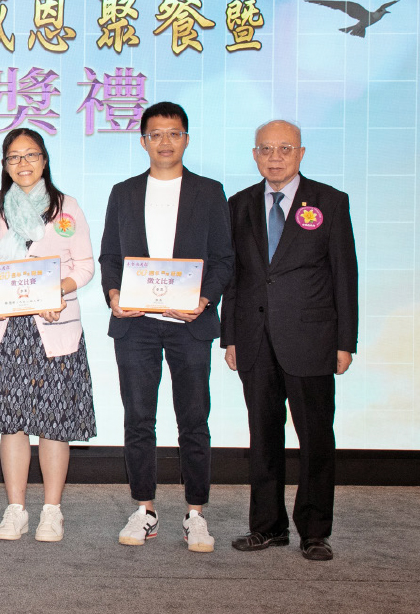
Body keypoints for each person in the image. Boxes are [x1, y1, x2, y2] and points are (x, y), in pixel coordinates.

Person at [99, 101, 233, 553]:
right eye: (155, 134)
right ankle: (145, 509)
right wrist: (114, 294)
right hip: (136, 325)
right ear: (143, 142)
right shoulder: (124, 192)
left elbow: (224, 259)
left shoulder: (209, 192)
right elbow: (110, 256)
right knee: (139, 419)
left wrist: (204, 299)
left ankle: (196, 514)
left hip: (188, 325)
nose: (165, 142)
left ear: (186, 139)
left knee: (194, 420)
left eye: (174, 133)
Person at [222, 120, 357, 562]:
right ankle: (267, 526)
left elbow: (345, 275)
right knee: (262, 436)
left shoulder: (330, 202)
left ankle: (315, 532)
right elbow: (235, 277)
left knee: (315, 438)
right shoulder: (239, 204)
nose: (275, 157)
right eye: (266, 149)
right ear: (254, 155)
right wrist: (230, 336)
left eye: (284, 148)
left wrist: (345, 341)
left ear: (301, 153)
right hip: (254, 338)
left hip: (312, 339)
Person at [0, 128, 96, 542]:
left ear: (44, 160)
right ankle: (16, 509)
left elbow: (84, 265)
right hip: (8, 330)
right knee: (11, 422)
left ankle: (52, 511)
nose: (23, 163)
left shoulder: (65, 207)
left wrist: (56, 290)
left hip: (53, 327)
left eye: (31, 155)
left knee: (54, 421)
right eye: (14, 157)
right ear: (5, 165)